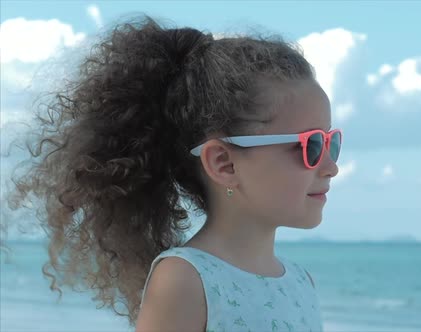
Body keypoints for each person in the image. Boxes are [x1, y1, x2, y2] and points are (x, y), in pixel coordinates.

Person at [5, 16, 341, 332]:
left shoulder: (300, 282)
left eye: (332, 142)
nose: (331, 166)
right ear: (224, 163)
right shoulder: (185, 280)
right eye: (311, 146)